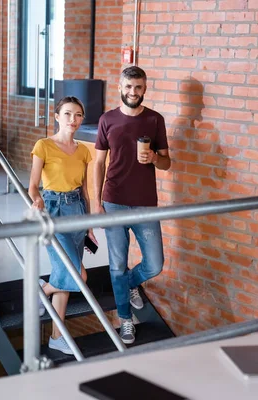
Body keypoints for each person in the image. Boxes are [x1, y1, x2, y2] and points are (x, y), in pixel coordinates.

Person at [92, 66, 171, 344]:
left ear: (145, 88)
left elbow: (167, 161)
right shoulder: (107, 119)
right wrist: (96, 203)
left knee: (154, 264)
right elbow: (99, 162)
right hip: (113, 200)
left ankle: (130, 283)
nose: (133, 92)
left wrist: (154, 160)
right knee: (116, 265)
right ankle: (126, 319)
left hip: (145, 204)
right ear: (120, 87)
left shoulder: (155, 120)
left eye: (138, 87)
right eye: (128, 86)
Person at [28, 96, 98, 355]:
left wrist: (90, 223)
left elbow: (85, 190)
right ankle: (41, 291)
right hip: (53, 209)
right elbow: (33, 185)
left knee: (65, 276)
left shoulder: (83, 151)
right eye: (68, 114)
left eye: (78, 115)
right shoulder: (44, 145)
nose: (73, 119)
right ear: (57, 116)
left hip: (77, 211)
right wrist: (37, 200)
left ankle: (57, 336)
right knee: (78, 275)